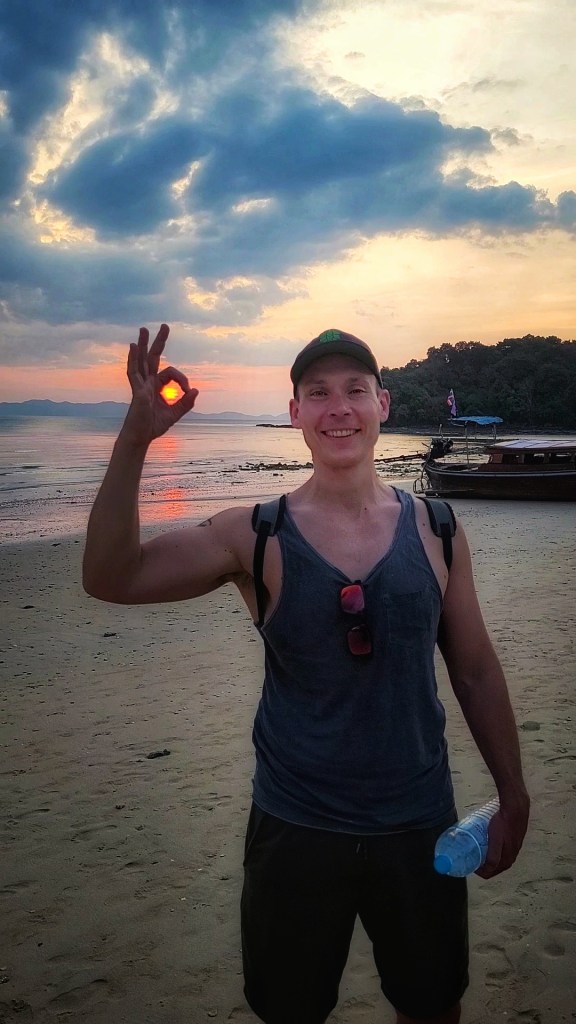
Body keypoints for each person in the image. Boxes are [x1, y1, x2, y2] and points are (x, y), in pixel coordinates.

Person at [83, 323, 530, 1024]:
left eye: (355, 390)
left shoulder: (438, 529)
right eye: (317, 393)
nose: (338, 407)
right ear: (295, 412)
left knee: (432, 1004)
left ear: (382, 403)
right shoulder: (254, 534)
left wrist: (513, 791)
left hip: (417, 822)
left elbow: (474, 670)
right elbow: (112, 576)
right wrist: (135, 439)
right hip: (295, 829)